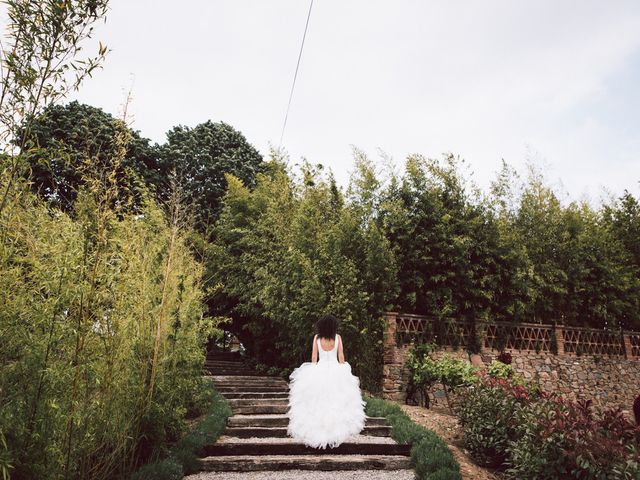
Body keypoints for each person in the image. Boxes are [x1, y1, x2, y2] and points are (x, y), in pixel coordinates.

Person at [286, 314, 366, 448]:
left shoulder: (317, 338)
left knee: (318, 400)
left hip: (320, 368)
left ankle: (317, 428)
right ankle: (336, 427)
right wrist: (344, 367)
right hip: (336, 369)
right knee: (337, 399)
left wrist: (312, 370)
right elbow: (341, 357)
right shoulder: (338, 338)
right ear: (334, 326)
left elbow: (313, 357)